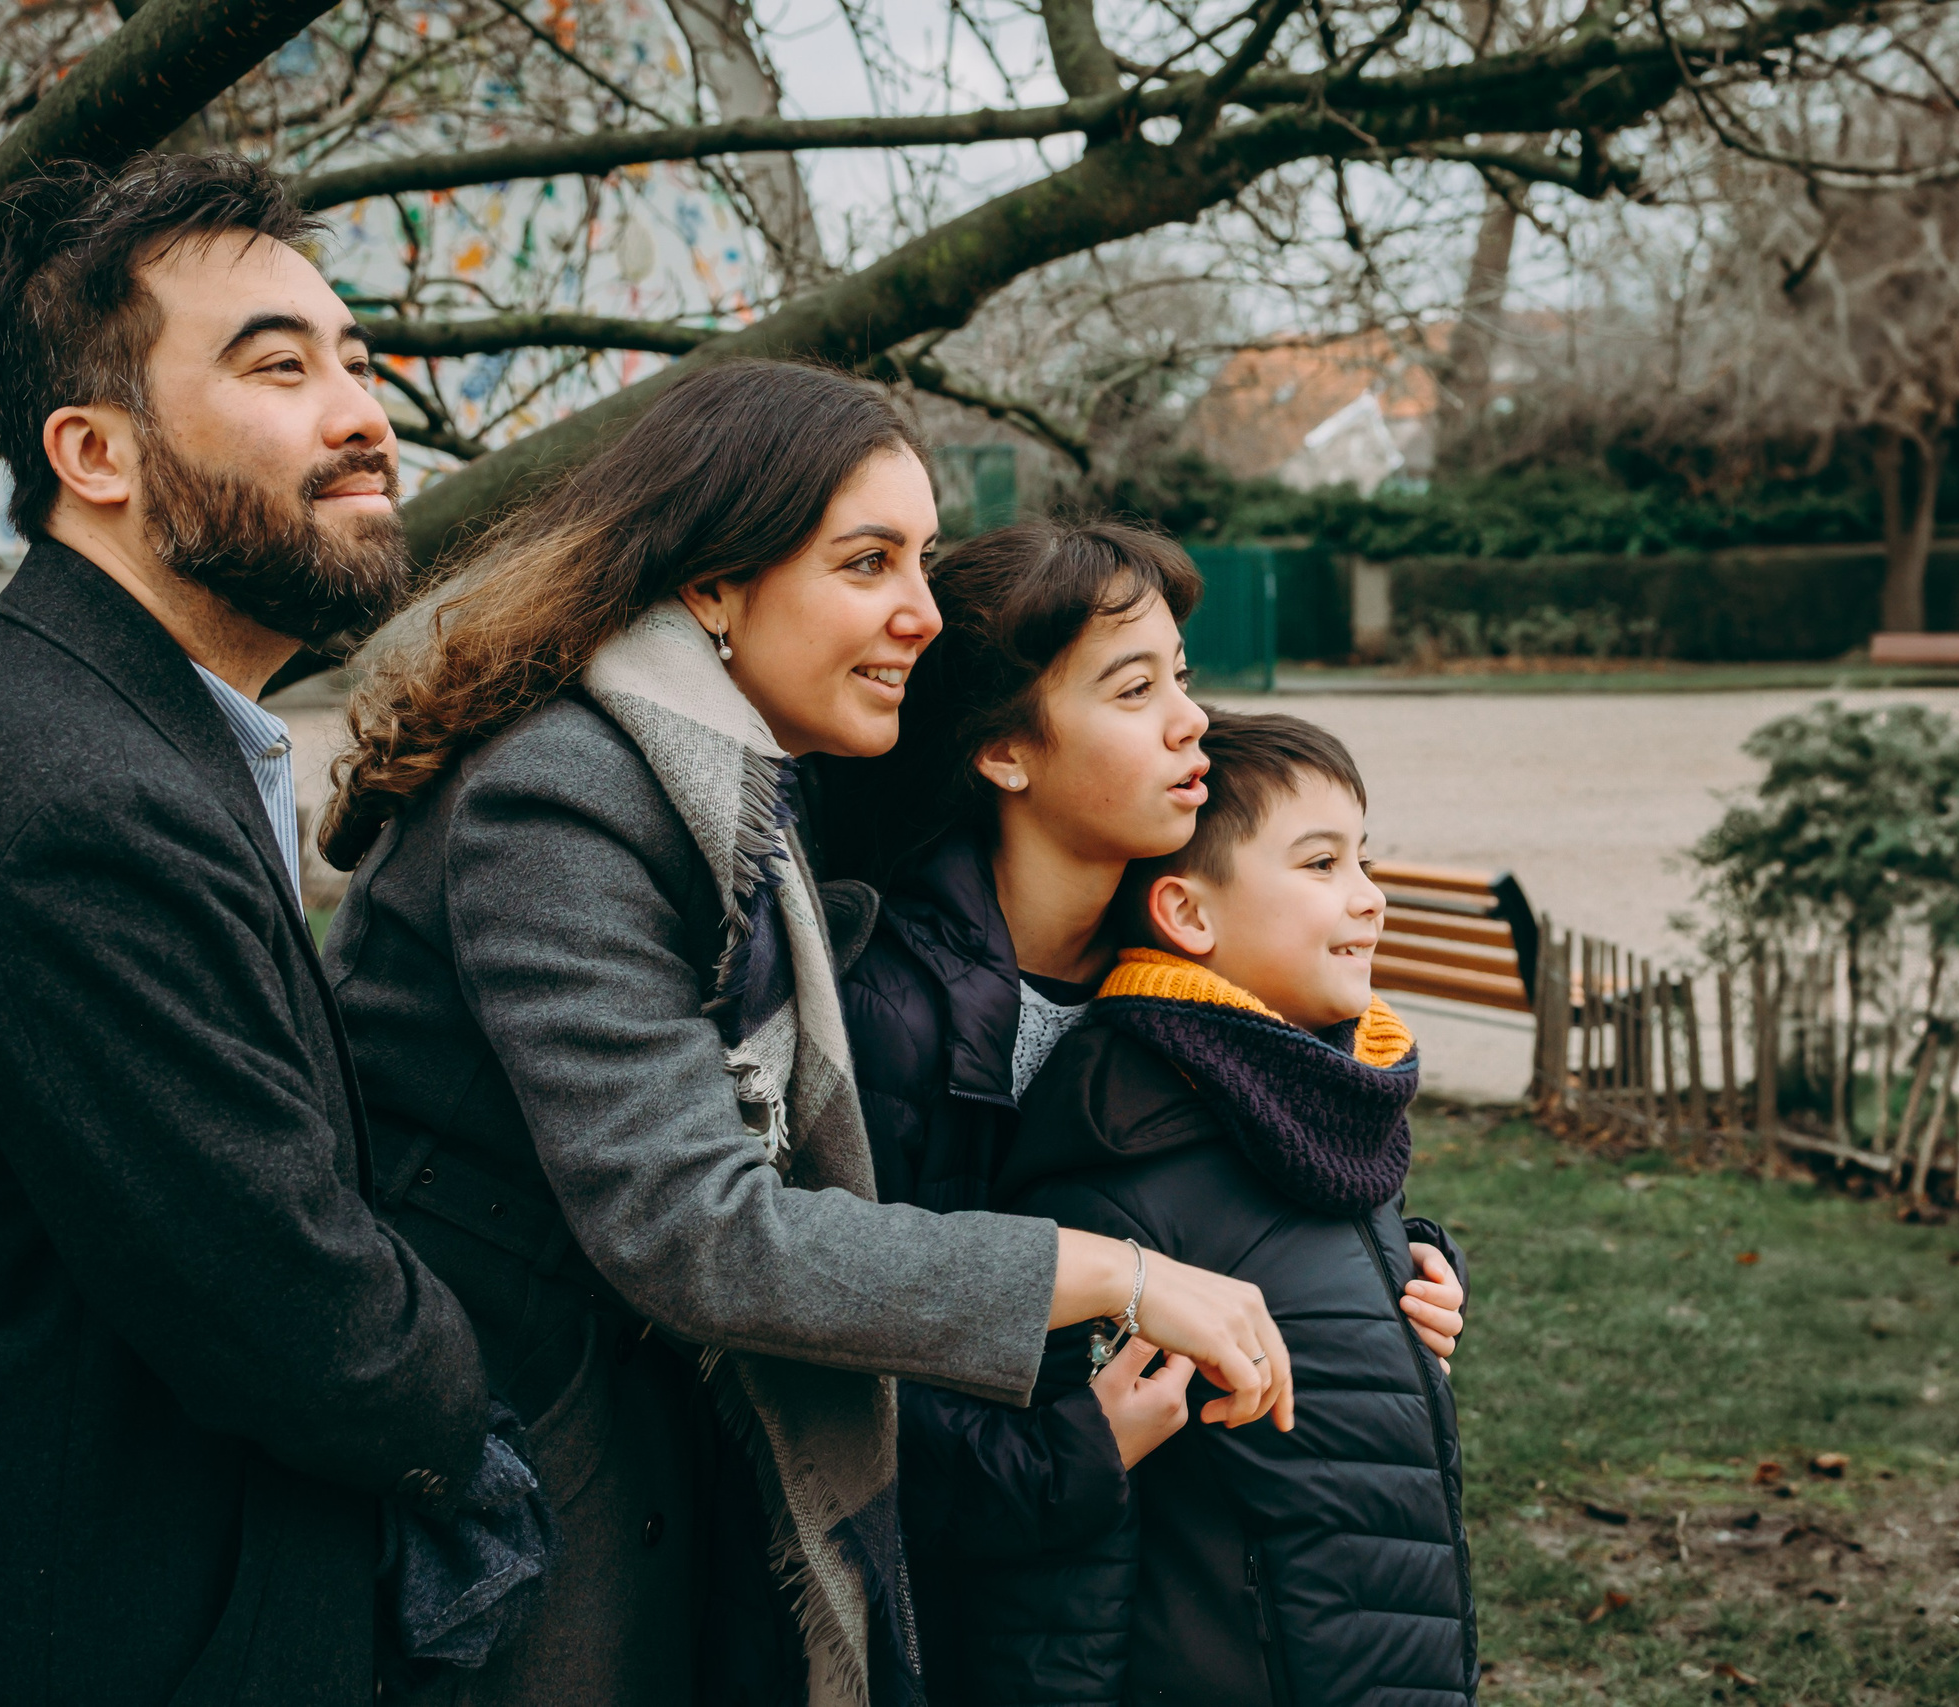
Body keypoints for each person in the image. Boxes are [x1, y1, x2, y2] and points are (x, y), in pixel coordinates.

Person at [314, 358, 1296, 1707]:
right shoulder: (560, 795)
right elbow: (701, 1229)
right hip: (515, 1470)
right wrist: (1114, 1272)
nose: (920, 613)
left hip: (634, 1434)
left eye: (926, 559)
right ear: (714, 584)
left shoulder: (741, 785)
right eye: (868, 562)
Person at [0, 154, 510, 1707]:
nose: (363, 412)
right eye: (279, 365)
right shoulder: (69, 803)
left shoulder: (117, 725)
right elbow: (318, 1331)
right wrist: (481, 1396)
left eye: (357, 359)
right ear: (95, 452)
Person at [829, 525, 1470, 1702]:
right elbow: (843, 1347)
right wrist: (1074, 1452)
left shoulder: (1180, 967)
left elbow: (1268, 1171)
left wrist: (1397, 1272)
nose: (1193, 721)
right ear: (1006, 755)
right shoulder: (888, 1016)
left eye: (1180, 675)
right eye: (1135, 689)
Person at [992, 709, 1477, 1707]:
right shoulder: (1120, 1160)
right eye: (1319, 865)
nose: (1369, 899)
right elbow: (1064, 1585)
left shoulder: (1313, 1104)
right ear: (1189, 916)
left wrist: (1415, 1267)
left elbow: (1299, 1257)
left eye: (1363, 859)